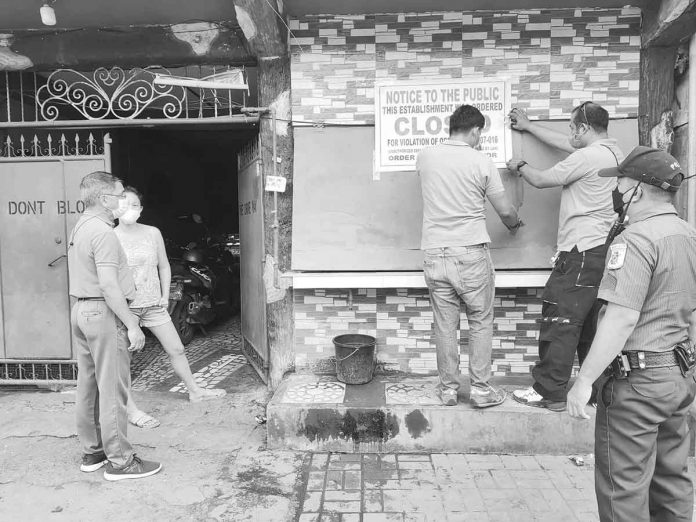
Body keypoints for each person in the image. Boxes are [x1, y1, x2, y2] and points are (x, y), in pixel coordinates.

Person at [567, 146, 696, 521]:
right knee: (672, 480)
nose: (617, 192)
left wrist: (584, 380)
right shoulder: (687, 234)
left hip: (637, 385)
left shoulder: (635, 240)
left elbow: (621, 318)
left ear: (637, 190)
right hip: (677, 376)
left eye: (620, 183)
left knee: (622, 490)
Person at [505, 102, 624, 412]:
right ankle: (596, 392)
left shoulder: (587, 156)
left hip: (579, 252)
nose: (570, 133)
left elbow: (543, 179)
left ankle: (548, 391)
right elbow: (567, 145)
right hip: (602, 254)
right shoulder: (613, 153)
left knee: (560, 320)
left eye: (573, 127)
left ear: (583, 128)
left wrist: (519, 166)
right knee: (590, 327)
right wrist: (529, 127)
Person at [417, 104, 522, 408]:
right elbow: (504, 210)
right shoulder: (481, 161)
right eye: (480, 134)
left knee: (445, 325)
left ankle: (448, 389)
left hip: (435, 253)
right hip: (471, 254)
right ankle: (480, 390)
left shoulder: (425, 157)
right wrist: (515, 224)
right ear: (475, 131)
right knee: (479, 320)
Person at [68, 171, 161, 481]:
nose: (124, 201)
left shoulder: (82, 227)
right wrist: (132, 324)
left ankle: (92, 452)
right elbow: (109, 286)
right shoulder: (104, 233)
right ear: (105, 199)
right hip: (103, 312)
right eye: (120, 195)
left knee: (89, 385)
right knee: (113, 389)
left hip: (82, 309)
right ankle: (121, 461)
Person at [115, 187, 226, 429]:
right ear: (114, 206)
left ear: (141, 209)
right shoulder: (110, 236)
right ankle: (130, 410)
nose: (128, 209)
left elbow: (164, 266)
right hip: (127, 309)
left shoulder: (152, 233)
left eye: (134, 205)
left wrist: (165, 295)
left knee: (176, 349)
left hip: (154, 304)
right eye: (123, 204)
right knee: (124, 361)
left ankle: (195, 391)